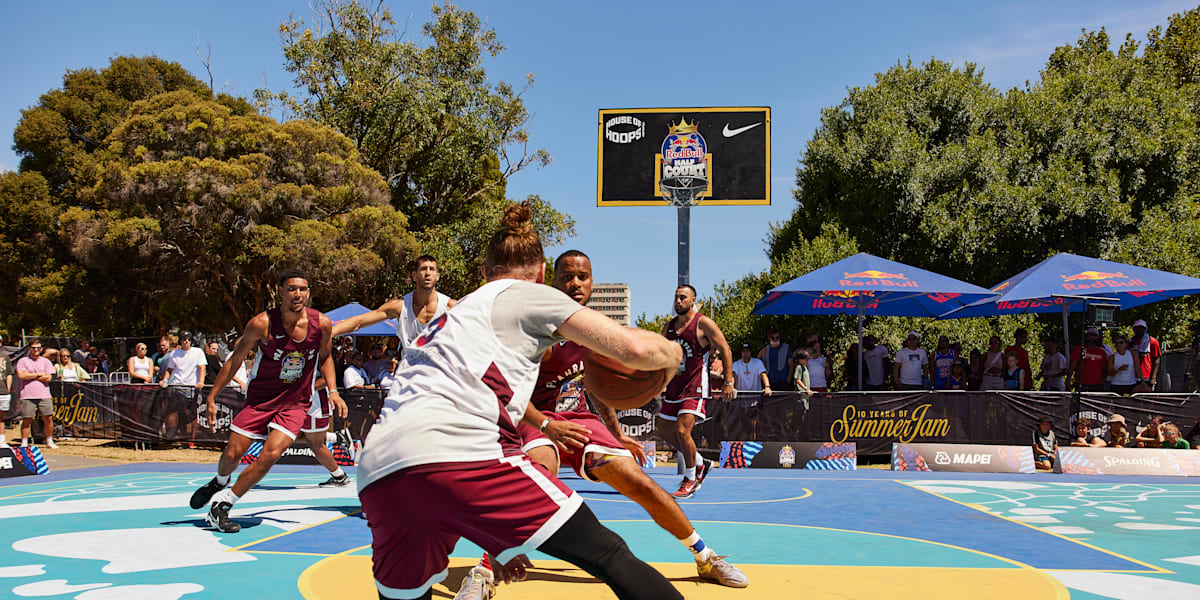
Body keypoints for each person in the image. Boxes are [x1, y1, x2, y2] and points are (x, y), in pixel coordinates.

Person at [358, 204, 686, 600]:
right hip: (459, 454)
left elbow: (478, 405)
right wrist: (672, 356)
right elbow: (634, 351)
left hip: (379, 469)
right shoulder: (531, 295)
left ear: (484, 273)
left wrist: (500, 538)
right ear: (543, 272)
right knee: (609, 554)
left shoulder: (453, 316)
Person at [456, 250, 747, 600]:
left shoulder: (589, 325)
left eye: (583, 276)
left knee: (640, 483)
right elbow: (506, 391)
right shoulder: (536, 323)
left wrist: (618, 433)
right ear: (553, 280)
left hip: (578, 419)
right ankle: (484, 570)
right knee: (537, 476)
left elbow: (597, 387)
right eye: (567, 277)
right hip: (531, 418)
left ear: (592, 281)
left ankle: (705, 557)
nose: (576, 283)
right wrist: (547, 425)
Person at [189, 269, 345, 533]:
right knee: (232, 454)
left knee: (271, 454)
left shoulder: (322, 324)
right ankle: (219, 481)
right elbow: (235, 360)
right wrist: (212, 396)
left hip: (295, 402)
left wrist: (333, 390)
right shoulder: (261, 323)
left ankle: (223, 504)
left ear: (309, 292)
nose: (298, 294)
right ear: (280, 292)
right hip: (260, 400)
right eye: (292, 289)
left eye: (303, 289)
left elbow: (326, 357)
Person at [658, 284, 736, 499]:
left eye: (683, 297)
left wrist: (728, 380)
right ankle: (701, 463)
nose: (678, 301)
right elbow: (662, 355)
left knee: (683, 431)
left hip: (695, 386)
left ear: (693, 300)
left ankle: (690, 478)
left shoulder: (703, 324)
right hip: (674, 387)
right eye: (676, 297)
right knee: (664, 432)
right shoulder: (668, 328)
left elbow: (725, 349)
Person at [333, 254, 458, 347]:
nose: (427, 273)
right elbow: (358, 322)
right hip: (409, 376)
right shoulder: (399, 307)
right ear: (414, 275)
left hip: (440, 377)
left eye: (432, 269)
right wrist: (331, 332)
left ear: (437, 276)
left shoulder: (452, 308)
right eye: (423, 269)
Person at [16, 340, 58, 448]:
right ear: (29, 348)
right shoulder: (23, 361)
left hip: (44, 394)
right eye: (34, 348)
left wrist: (30, 375)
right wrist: (39, 374)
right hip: (27, 394)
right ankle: (24, 442)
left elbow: (49, 377)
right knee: (27, 418)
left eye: (38, 348)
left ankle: (49, 440)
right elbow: (21, 375)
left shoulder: (46, 362)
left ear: (41, 349)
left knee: (48, 418)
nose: (36, 350)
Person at [1068, 328, 1108, 393]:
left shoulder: (1102, 352)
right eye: (1089, 335)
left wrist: (1103, 383)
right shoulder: (1079, 350)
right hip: (1082, 384)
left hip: (1097, 385)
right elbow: (1071, 367)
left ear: (1098, 338)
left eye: (1094, 335)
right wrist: (1068, 382)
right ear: (1086, 337)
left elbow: (1104, 369)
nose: (1092, 337)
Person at [1130, 319, 1162, 392]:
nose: (1139, 331)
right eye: (1137, 328)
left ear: (1145, 329)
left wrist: (1153, 377)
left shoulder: (1152, 341)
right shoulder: (1130, 342)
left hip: (1147, 375)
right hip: (1132, 376)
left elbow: (1156, 360)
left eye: (1141, 328)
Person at [757, 328, 790, 392]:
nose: (775, 340)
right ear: (769, 339)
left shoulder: (785, 348)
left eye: (777, 338)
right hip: (769, 382)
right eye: (773, 338)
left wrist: (788, 380)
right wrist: (760, 354)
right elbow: (757, 364)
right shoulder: (765, 350)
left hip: (782, 382)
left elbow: (791, 365)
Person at [0, 344, 13, 446]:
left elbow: (9, 374)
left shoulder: (4, 356)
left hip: (3, 391)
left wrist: (8, 390)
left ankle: (1, 440)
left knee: (1, 417)